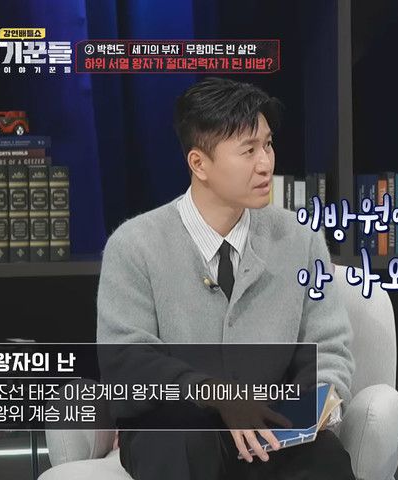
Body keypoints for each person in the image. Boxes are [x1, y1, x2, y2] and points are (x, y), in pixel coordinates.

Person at [96, 77, 356, 480]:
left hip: (271, 428)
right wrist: (218, 396)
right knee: (179, 441)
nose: (265, 163)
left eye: (267, 145)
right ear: (199, 163)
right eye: (248, 150)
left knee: (326, 458)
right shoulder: (134, 245)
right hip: (177, 428)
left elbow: (327, 348)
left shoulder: (300, 240)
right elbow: (127, 361)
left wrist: (315, 405)